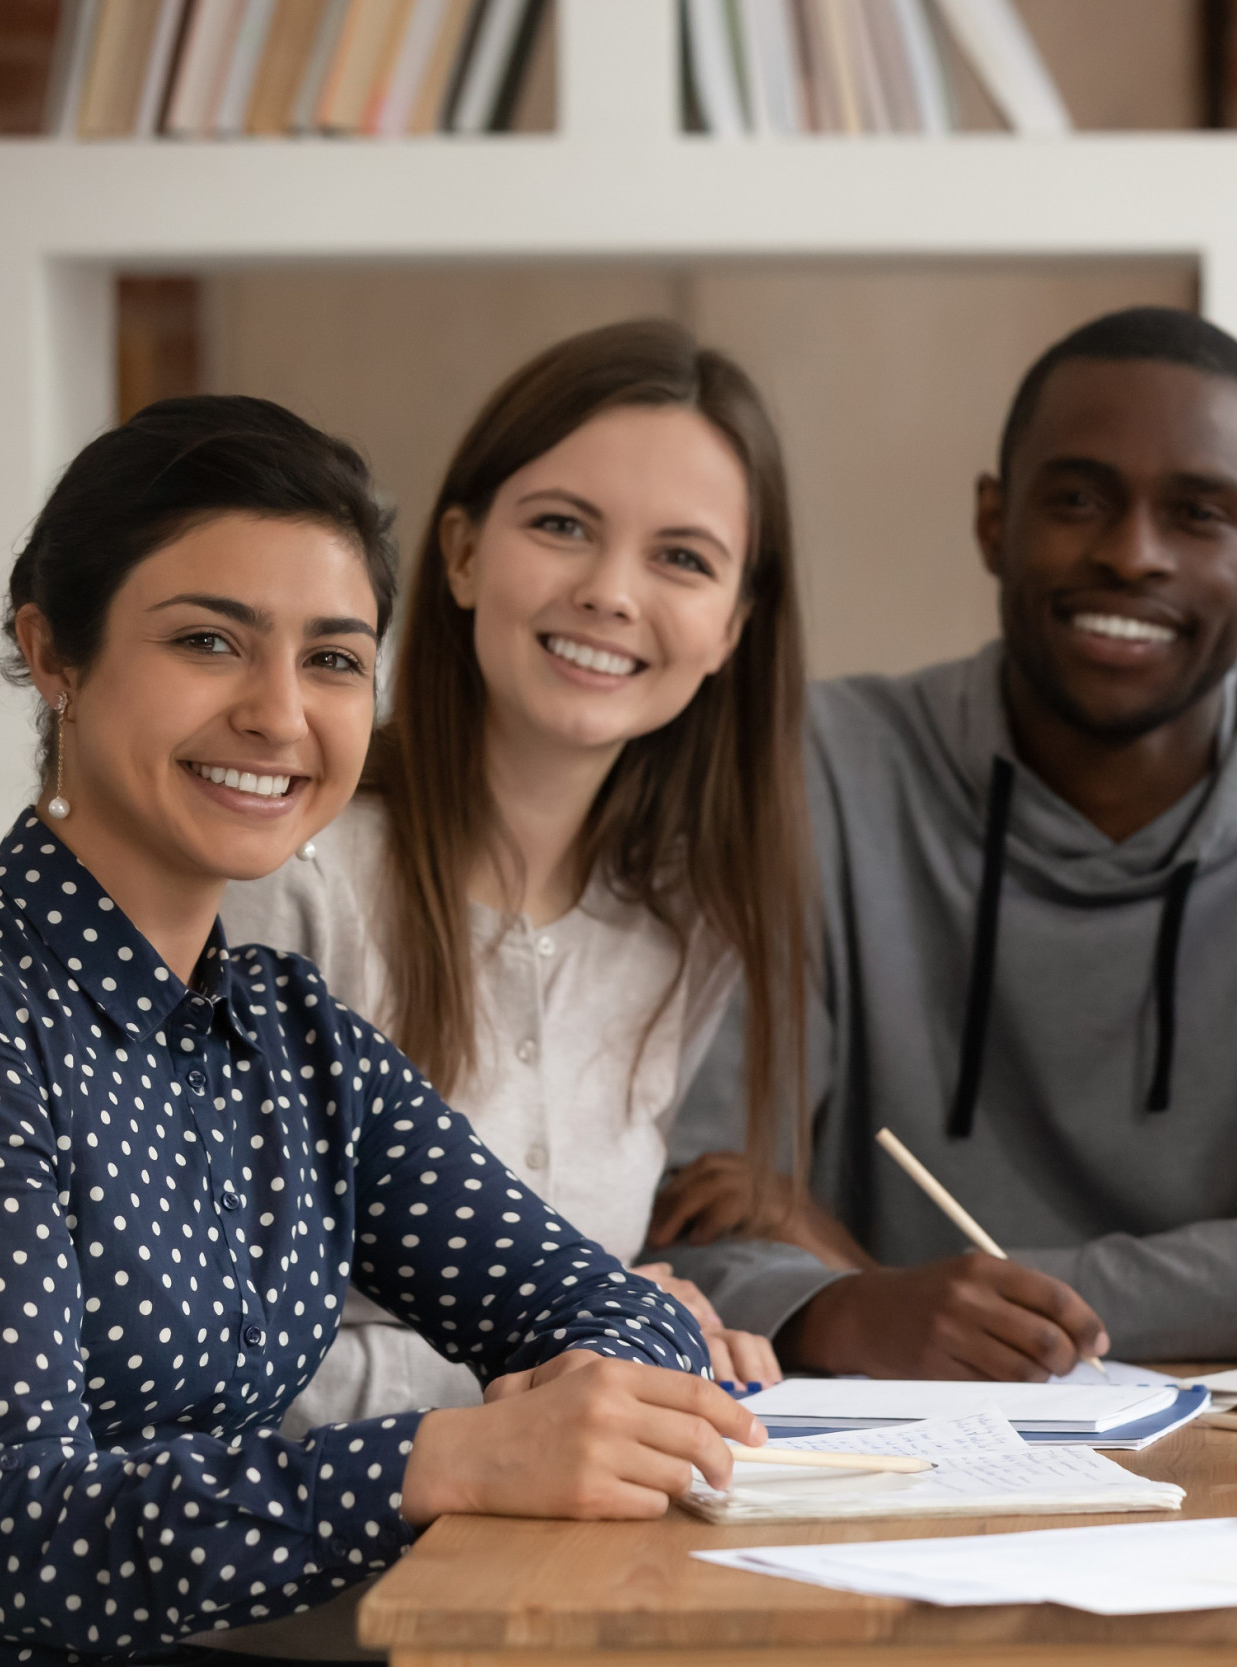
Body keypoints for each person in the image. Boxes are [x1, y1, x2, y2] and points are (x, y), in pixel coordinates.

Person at [0, 396, 764, 1666]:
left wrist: (580, 1385)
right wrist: (441, 1455)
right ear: (55, 654)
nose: (279, 713)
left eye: (335, 658)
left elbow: (608, 1307)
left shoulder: (293, 1033)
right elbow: (15, 1534)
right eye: (210, 640)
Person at [652, 306, 1237, 1374]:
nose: (1129, 553)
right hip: (874, 1444)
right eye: (1075, 499)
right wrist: (867, 1306)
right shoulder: (807, 769)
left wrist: (878, 1288)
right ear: (991, 521)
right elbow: (693, 1211)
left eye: (1197, 514)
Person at [224, 320, 805, 1427]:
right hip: (299, 1583)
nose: (611, 591)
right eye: (561, 526)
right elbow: (188, 1366)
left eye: (682, 557)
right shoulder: (290, 872)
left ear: (732, 627)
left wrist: (638, 1334)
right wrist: (606, 1350)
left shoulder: (690, 929)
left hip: (556, 1557)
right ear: (460, 552)